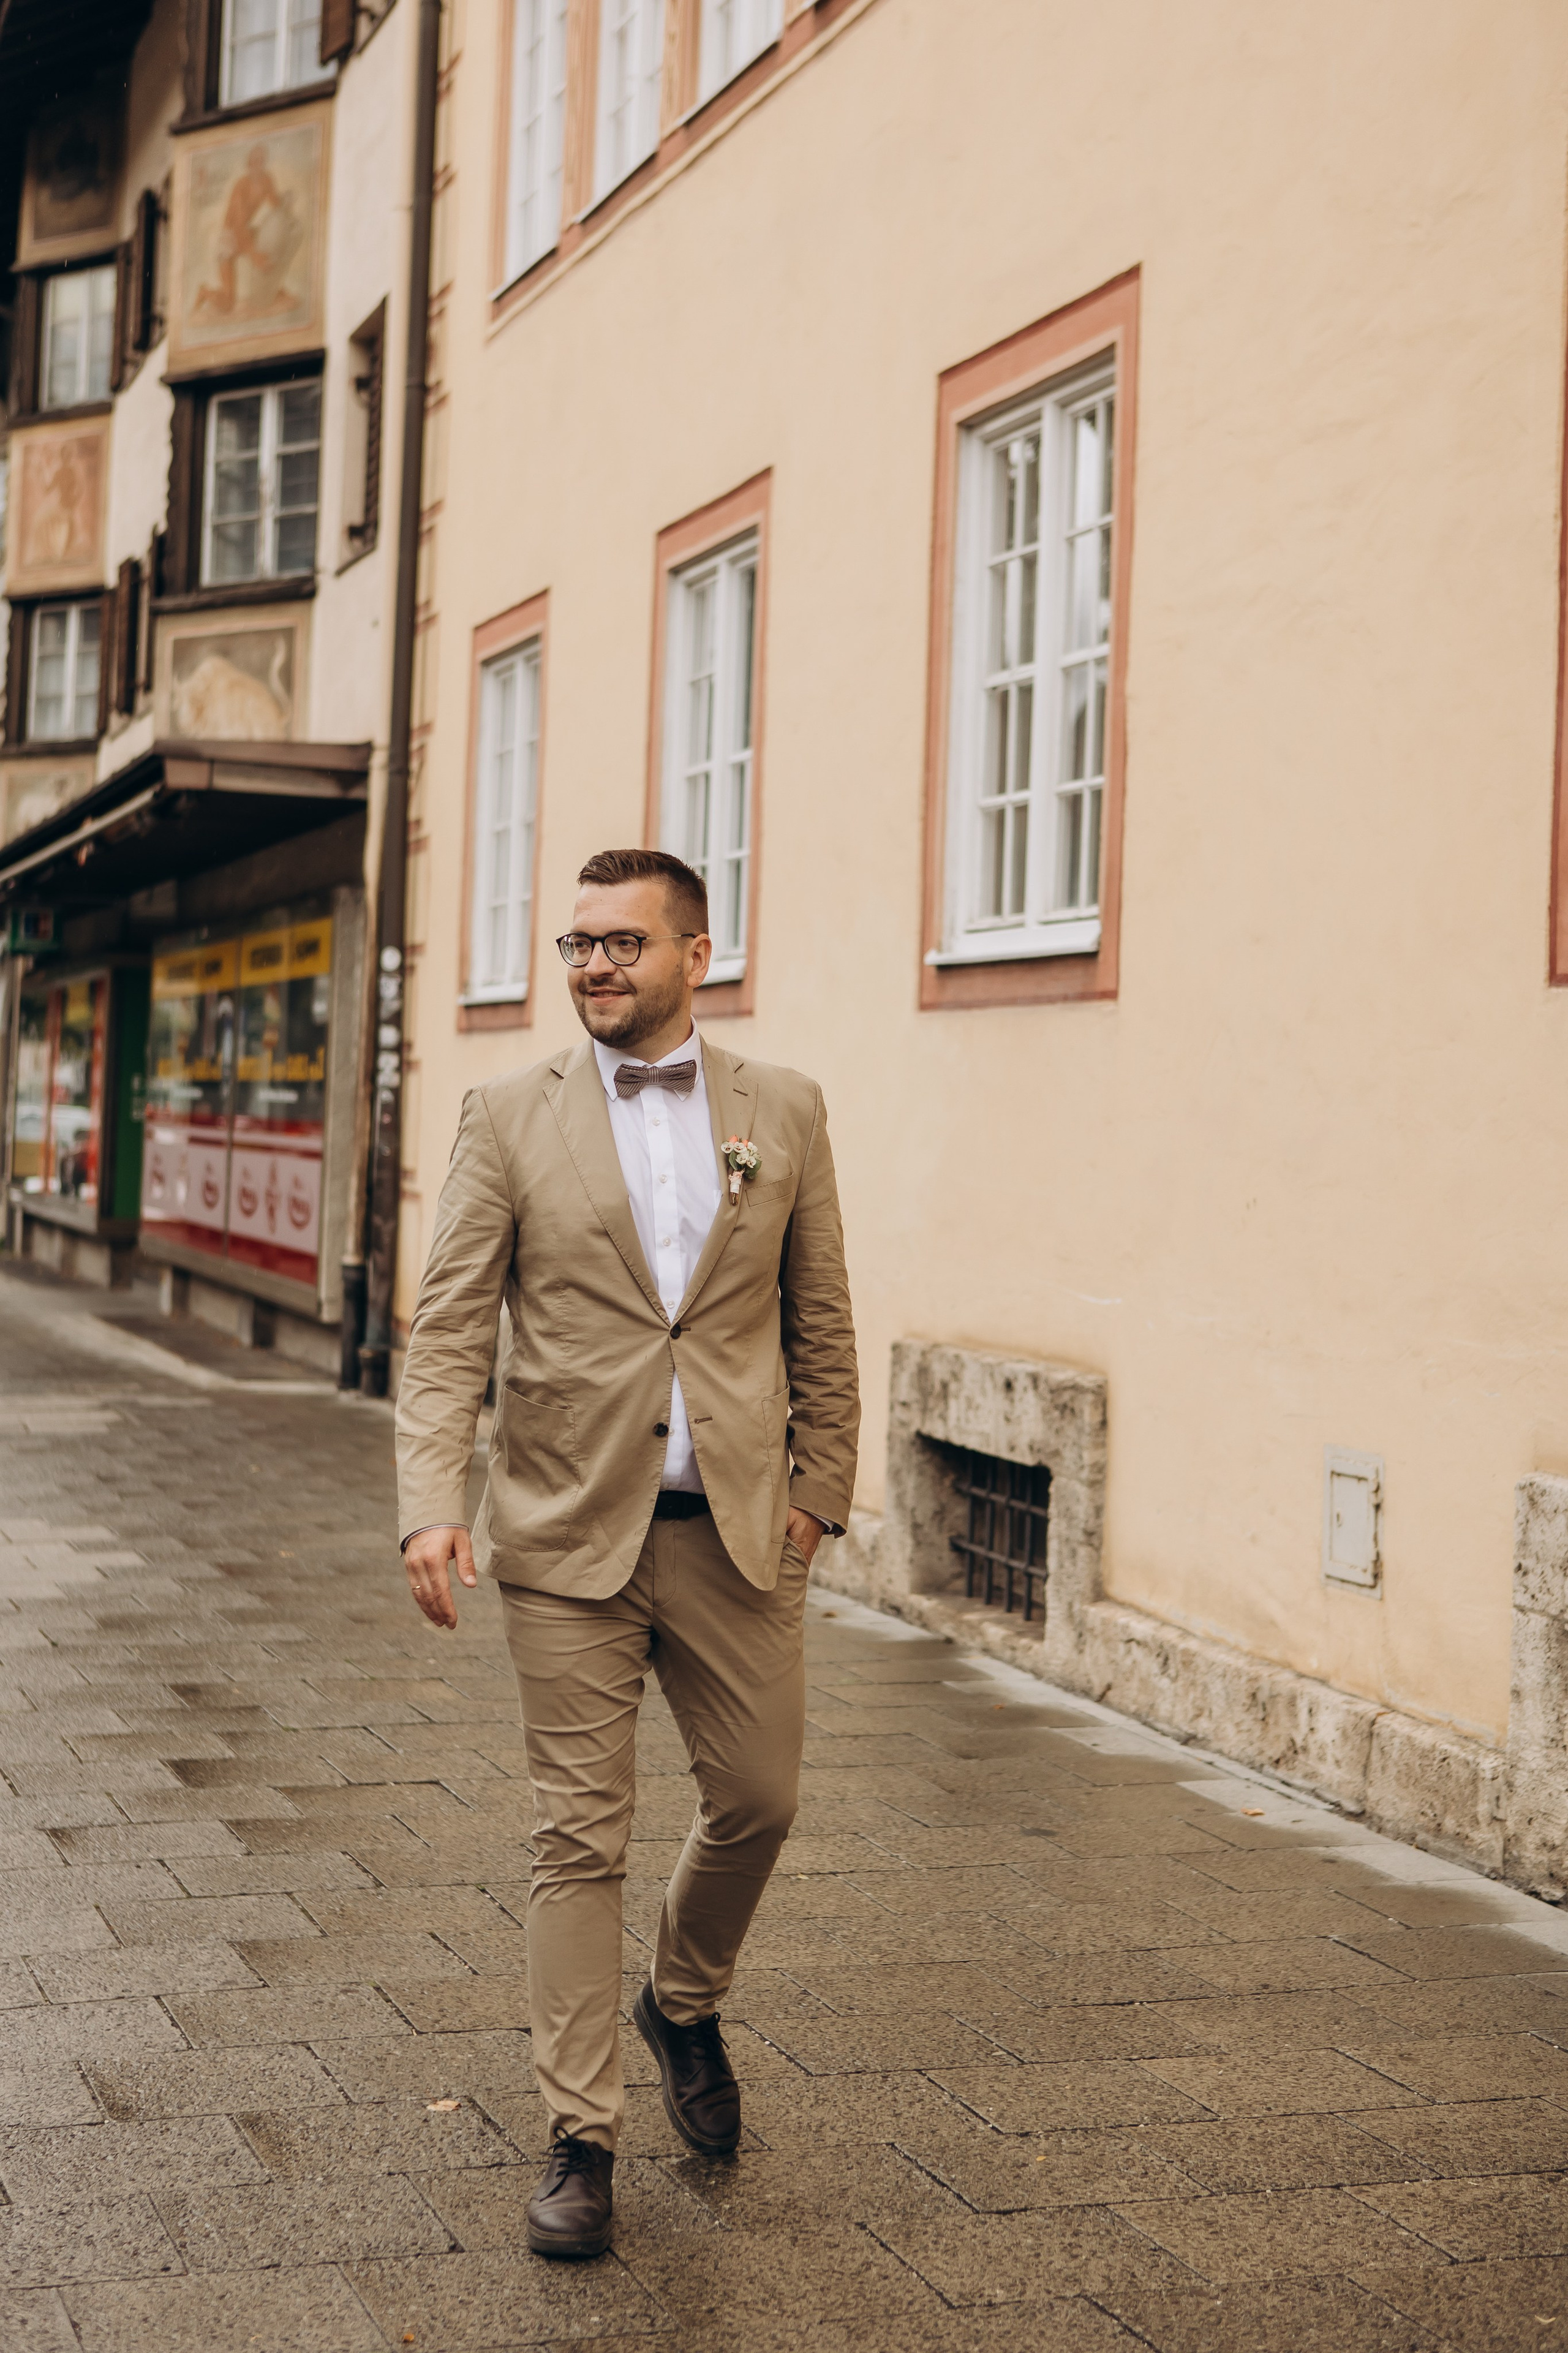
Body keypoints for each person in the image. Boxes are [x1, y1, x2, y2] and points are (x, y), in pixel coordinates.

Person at [395, 847, 859, 2259]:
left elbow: (819, 1312)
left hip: (731, 1531)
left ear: (693, 954)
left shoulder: (781, 1110)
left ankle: (683, 1998)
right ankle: (579, 2135)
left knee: (760, 1798)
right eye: (575, 944)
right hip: (562, 1533)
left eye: (621, 944)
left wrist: (821, 1487)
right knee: (575, 1836)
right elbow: (450, 1324)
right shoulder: (504, 1114)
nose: (593, 966)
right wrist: (431, 1497)